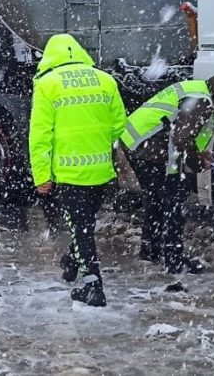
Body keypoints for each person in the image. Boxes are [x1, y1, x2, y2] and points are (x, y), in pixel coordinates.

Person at [29, 34, 127, 307]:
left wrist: (42, 176)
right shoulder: (105, 80)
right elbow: (119, 126)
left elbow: (40, 136)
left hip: (70, 173)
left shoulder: (47, 85)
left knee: (81, 229)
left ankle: (93, 286)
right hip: (100, 171)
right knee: (84, 225)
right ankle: (72, 262)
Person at [120, 72, 214, 274]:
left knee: (155, 200)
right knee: (173, 204)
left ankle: (150, 251)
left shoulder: (196, 88)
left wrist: (199, 154)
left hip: (136, 142)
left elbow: (184, 132)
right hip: (149, 149)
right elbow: (181, 139)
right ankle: (173, 260)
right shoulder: (202, 101)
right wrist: (196, 161)